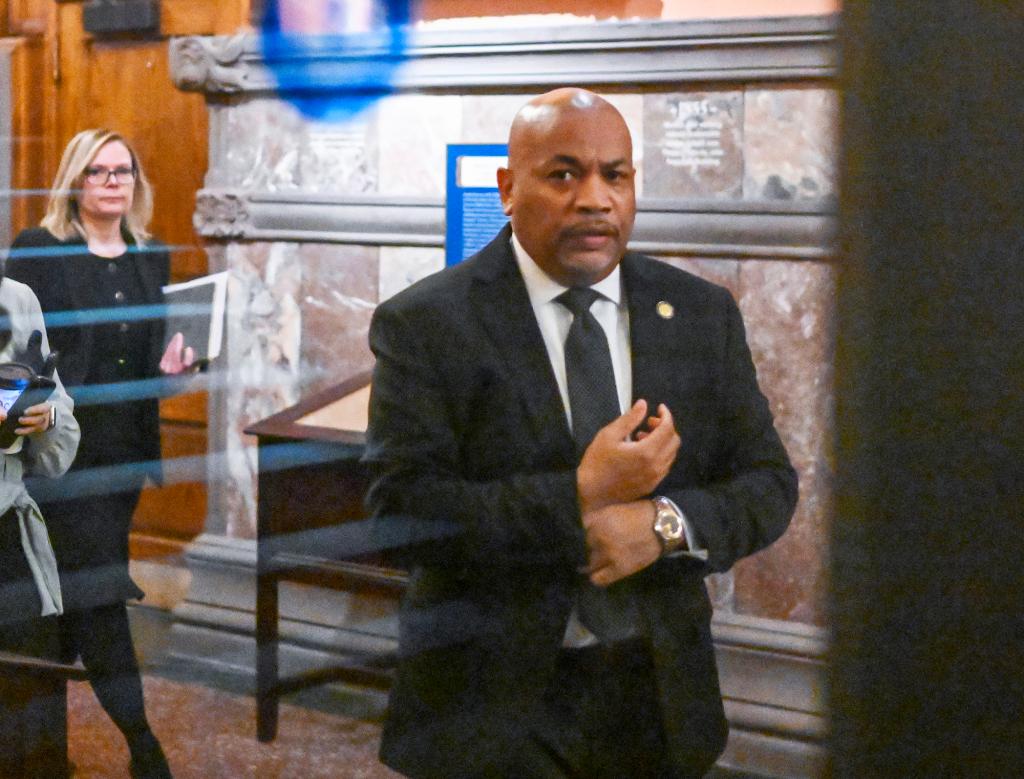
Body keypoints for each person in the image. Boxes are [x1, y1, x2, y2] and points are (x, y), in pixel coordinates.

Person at [364, 88, 799, 778]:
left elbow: (769, 484)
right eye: (563, 174)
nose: (594, 198)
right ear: (508, 189)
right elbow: (403, 516)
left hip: (655, 698)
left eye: (615, 175)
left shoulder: (698, 314)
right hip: (490, 711)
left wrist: (661, 524)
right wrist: (582, 492)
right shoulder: (426, 324)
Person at [6, 128, 195, 779]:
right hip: (61, 457)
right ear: (75, 180)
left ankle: (38, 748)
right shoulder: (39, 249)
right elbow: (14, 347)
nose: (113, 181)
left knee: (60, 604)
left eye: (123, 171)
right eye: (99, 171)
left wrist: (178, 369)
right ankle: (144, 744)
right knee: (98, 592)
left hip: (124, 457)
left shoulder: (151, 256)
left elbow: (156, 371)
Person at [0, 278, 80, 776]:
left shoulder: (16, 298)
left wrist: (45, 416)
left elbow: (59, 427)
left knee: (27, 708)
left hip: (6, 530)